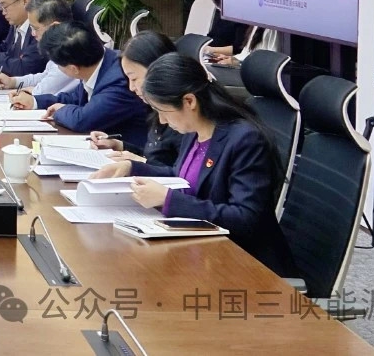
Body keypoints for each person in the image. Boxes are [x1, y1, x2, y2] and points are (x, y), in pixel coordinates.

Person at [90, 53, 297, 277]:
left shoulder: (244, 139)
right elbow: (183, 178)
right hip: (202, 251)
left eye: (163, 112)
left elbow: (244, 218)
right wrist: (131, 168)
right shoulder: (193, 131)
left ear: (189, 101)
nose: (162, 121)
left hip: (245, 264)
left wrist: (168, 200)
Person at [13, 21, 149, 151]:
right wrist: (34, 101)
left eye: (58, 66)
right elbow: (74, 98)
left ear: (73, 69)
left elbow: (82, 120)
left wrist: (60, 110)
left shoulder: (119, 80)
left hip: (134, 155)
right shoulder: (97, 63)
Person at [89, 31, 182, 167]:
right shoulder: (155, 110)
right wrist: (118, 145)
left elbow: (184, 173)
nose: (131, 87)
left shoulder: (183, 115)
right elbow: (154, 156)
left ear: (158, 69)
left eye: (134, 78)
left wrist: (141, 163)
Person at [0, 0, 79, 96]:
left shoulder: (70, 55)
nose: (33, 33)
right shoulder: (61, 49)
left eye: (36, 28)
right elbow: (44, 77)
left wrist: (21, 92)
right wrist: (12, 81)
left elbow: (42, 91)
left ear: (55, 27)